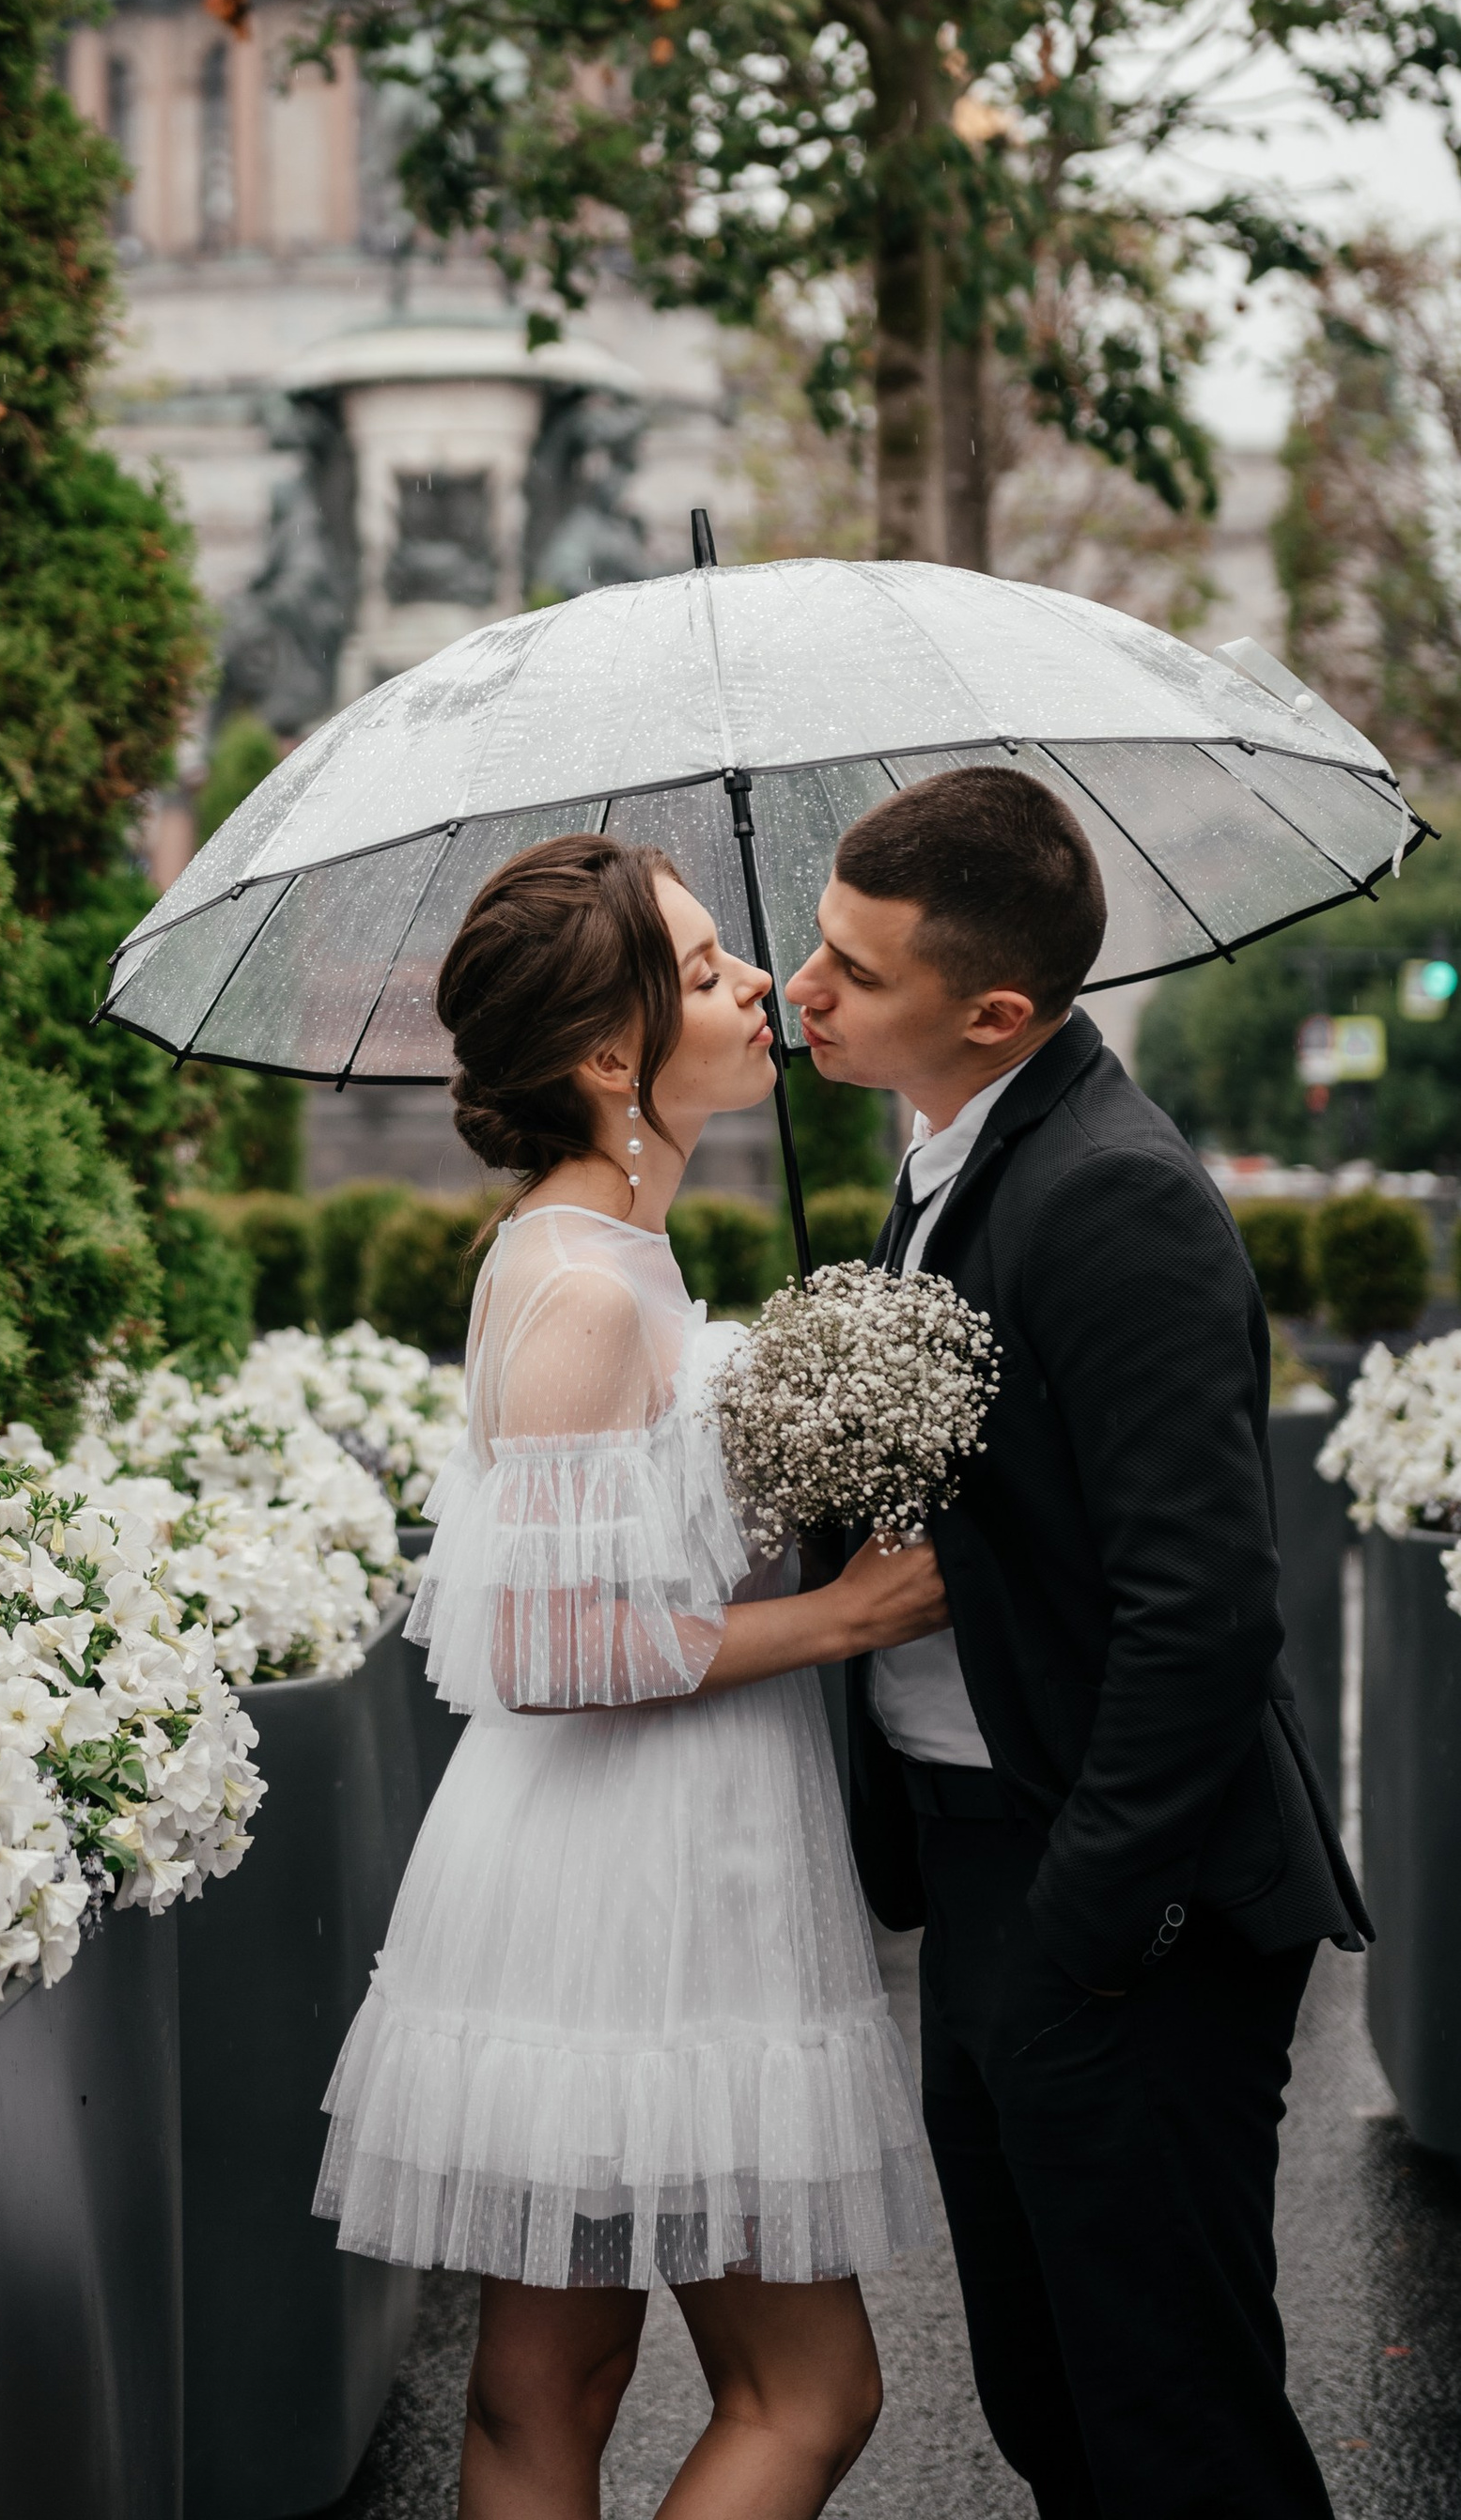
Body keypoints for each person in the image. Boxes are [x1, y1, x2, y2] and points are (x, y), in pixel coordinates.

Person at [318, 832, 946, 2520]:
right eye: (702, 966)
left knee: (552, 2380)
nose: (756, 985)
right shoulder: (585, 1290)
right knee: (802, 2389)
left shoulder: (605, 1253)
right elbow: (548, 1646)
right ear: (611, 1058)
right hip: (641, 1876)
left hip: (636, 1856)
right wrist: (844, 1616)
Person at [785, 764, 1367, 2520]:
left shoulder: (1114, 1196)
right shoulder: (941, 1164)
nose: (801, 989)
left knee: (1174, 2430)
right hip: (978, 1874)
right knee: (1053, 2407)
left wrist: (1082, 1930)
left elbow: (1206, 1610)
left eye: (852, 973)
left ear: (996, 1012)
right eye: (816, 946)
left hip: (1119, 1903)